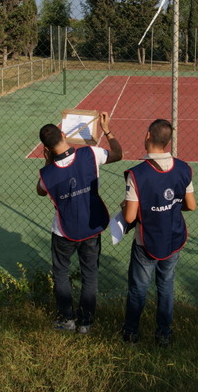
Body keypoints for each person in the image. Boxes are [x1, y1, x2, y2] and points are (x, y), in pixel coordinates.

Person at [37, 112, 122, 334]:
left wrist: (48, 162)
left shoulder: (47, 174)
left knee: (61, 274)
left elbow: (40, 189)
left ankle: (67, 320)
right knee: (90, 274)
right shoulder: (90, 154)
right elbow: (118, 154)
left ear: (45, 148)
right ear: (64, 134)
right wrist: (107, 130)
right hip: (91, 227)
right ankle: (86, 323)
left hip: (63, 231)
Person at [120, 118, 196, 346]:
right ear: (168, 141)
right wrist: (171, 206)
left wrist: (124, 207)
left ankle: (131, 333)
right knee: (166, 286)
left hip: (146, 242)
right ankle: (164, 334)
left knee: (138, 288)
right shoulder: (183, 168)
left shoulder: (137, 174)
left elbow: (130, 217)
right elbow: (191, 205)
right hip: (173, 238)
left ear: (147, 136)